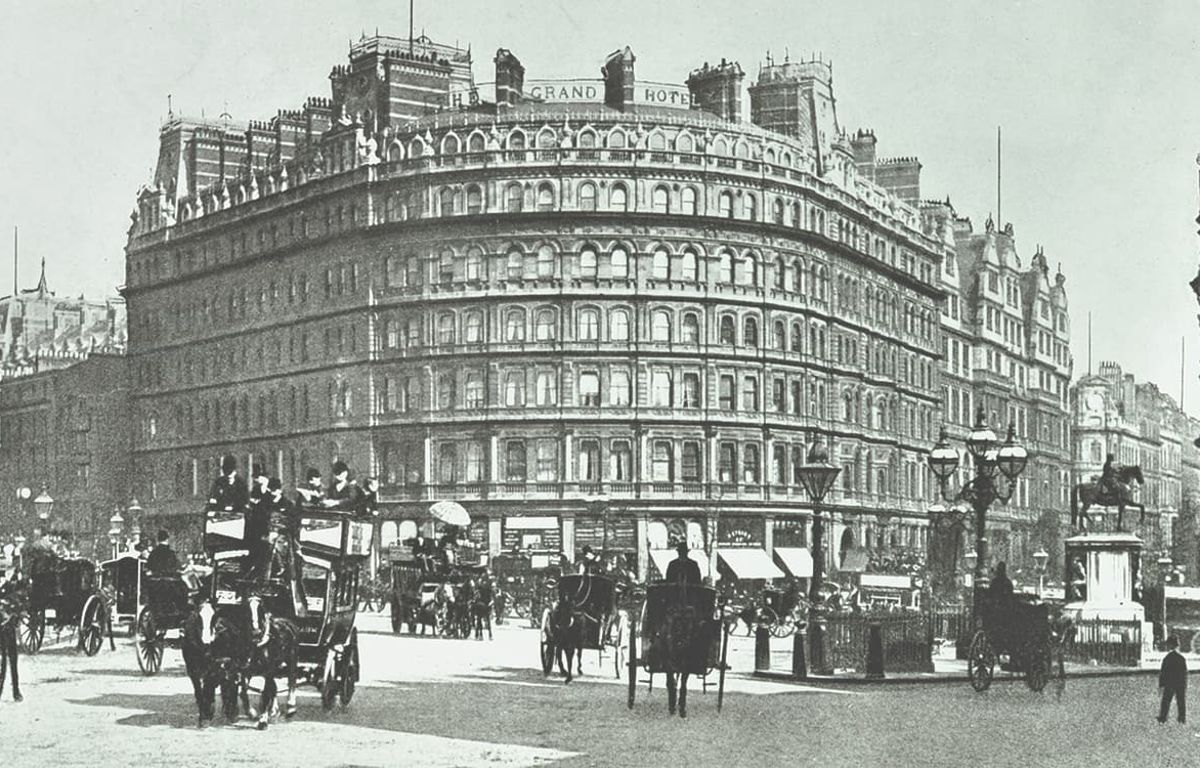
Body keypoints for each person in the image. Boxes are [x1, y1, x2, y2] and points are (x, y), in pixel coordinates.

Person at [1158, 635, 1187, 724]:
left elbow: (1163, 673)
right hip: (1180, 683)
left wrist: (1161, 685)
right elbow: (1184, 673)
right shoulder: (1181, 658)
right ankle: (1182, 718)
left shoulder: (1167, 658)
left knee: (1166, 701)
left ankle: (1163, 718)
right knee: (1181, 701)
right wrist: (1184, 684)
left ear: (1169, 645)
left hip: (1169, 683)